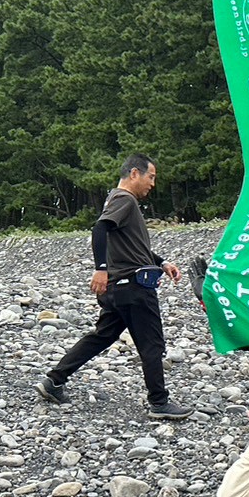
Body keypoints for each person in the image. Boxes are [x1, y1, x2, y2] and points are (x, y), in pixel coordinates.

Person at [36, 154, 191, 419]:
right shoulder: (124, 199)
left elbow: (133, 247)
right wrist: (101, 269)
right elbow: (100, 229)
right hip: (133, 288)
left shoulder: (115, 200)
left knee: (102, 336)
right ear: (134, 173)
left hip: (119, 290)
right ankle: (159, 402)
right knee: (152, 344)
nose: (152, 184)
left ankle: (54, 380)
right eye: (151, 177)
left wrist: (162, 262)